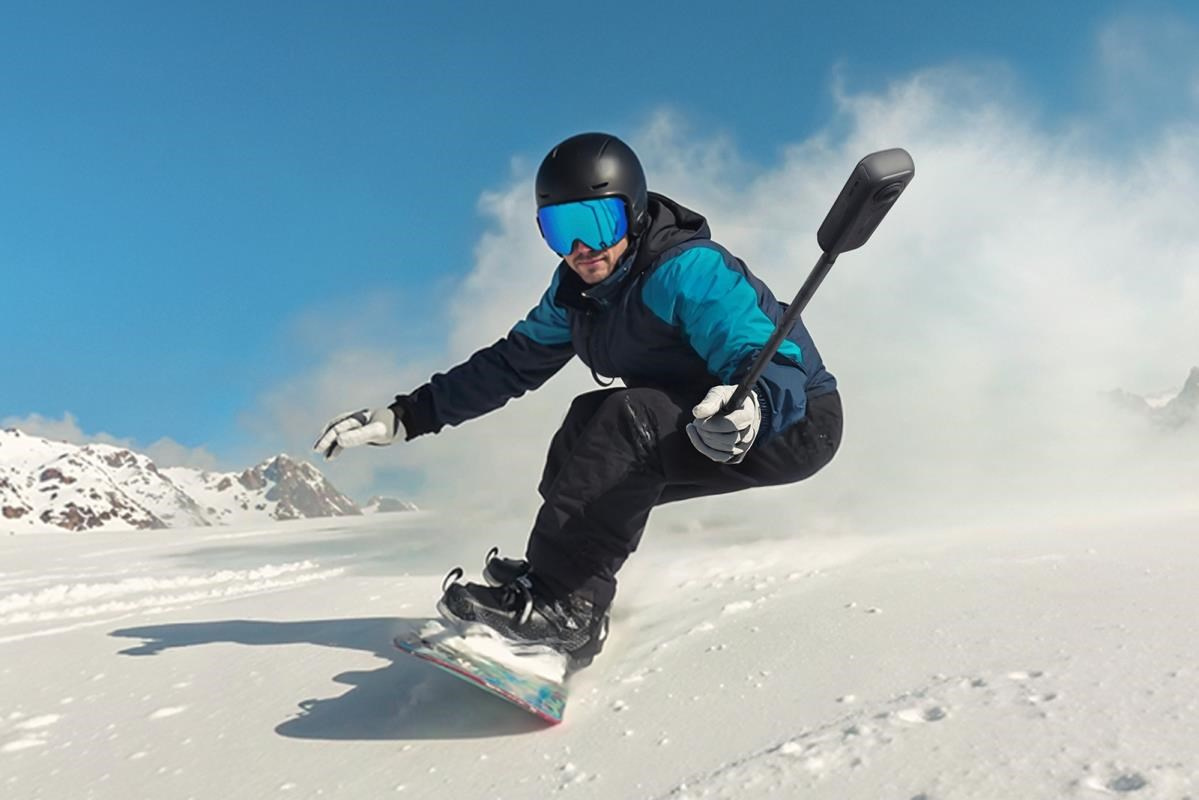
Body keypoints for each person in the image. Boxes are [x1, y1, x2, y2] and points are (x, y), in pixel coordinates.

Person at [314, 132, 843, 669]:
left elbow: (760, 350)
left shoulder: (686, 270)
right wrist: (407, 416)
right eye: (559, 230)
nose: (581, 248)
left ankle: (565, 606)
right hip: (704, 416)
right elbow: (508, 364)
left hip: (789, 419)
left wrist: (756, 405)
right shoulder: (576, 296)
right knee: (585, 419)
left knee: (624, 419)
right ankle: (557, 576)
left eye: (597, 223)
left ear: (633, 213)